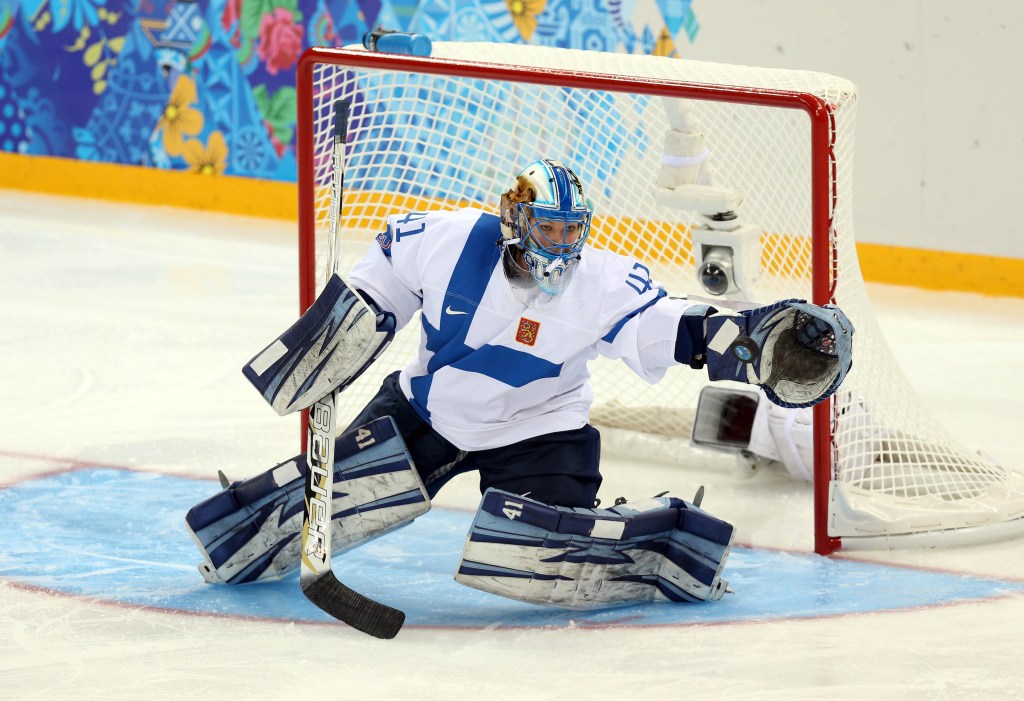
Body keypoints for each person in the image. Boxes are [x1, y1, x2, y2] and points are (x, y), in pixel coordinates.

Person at [186, 159, 853, 608]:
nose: (561, 244)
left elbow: (666, 326)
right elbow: (381, 278)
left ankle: (655, 532)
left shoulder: (602, 282)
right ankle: (246, 526)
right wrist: (349, 323)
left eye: (571, 230)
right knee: (302, 515)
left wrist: (737, 338)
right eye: (547, 228)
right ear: (516, 220)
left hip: (541, 433)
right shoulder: (446, 240)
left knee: (541, 556)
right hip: (427, 413)